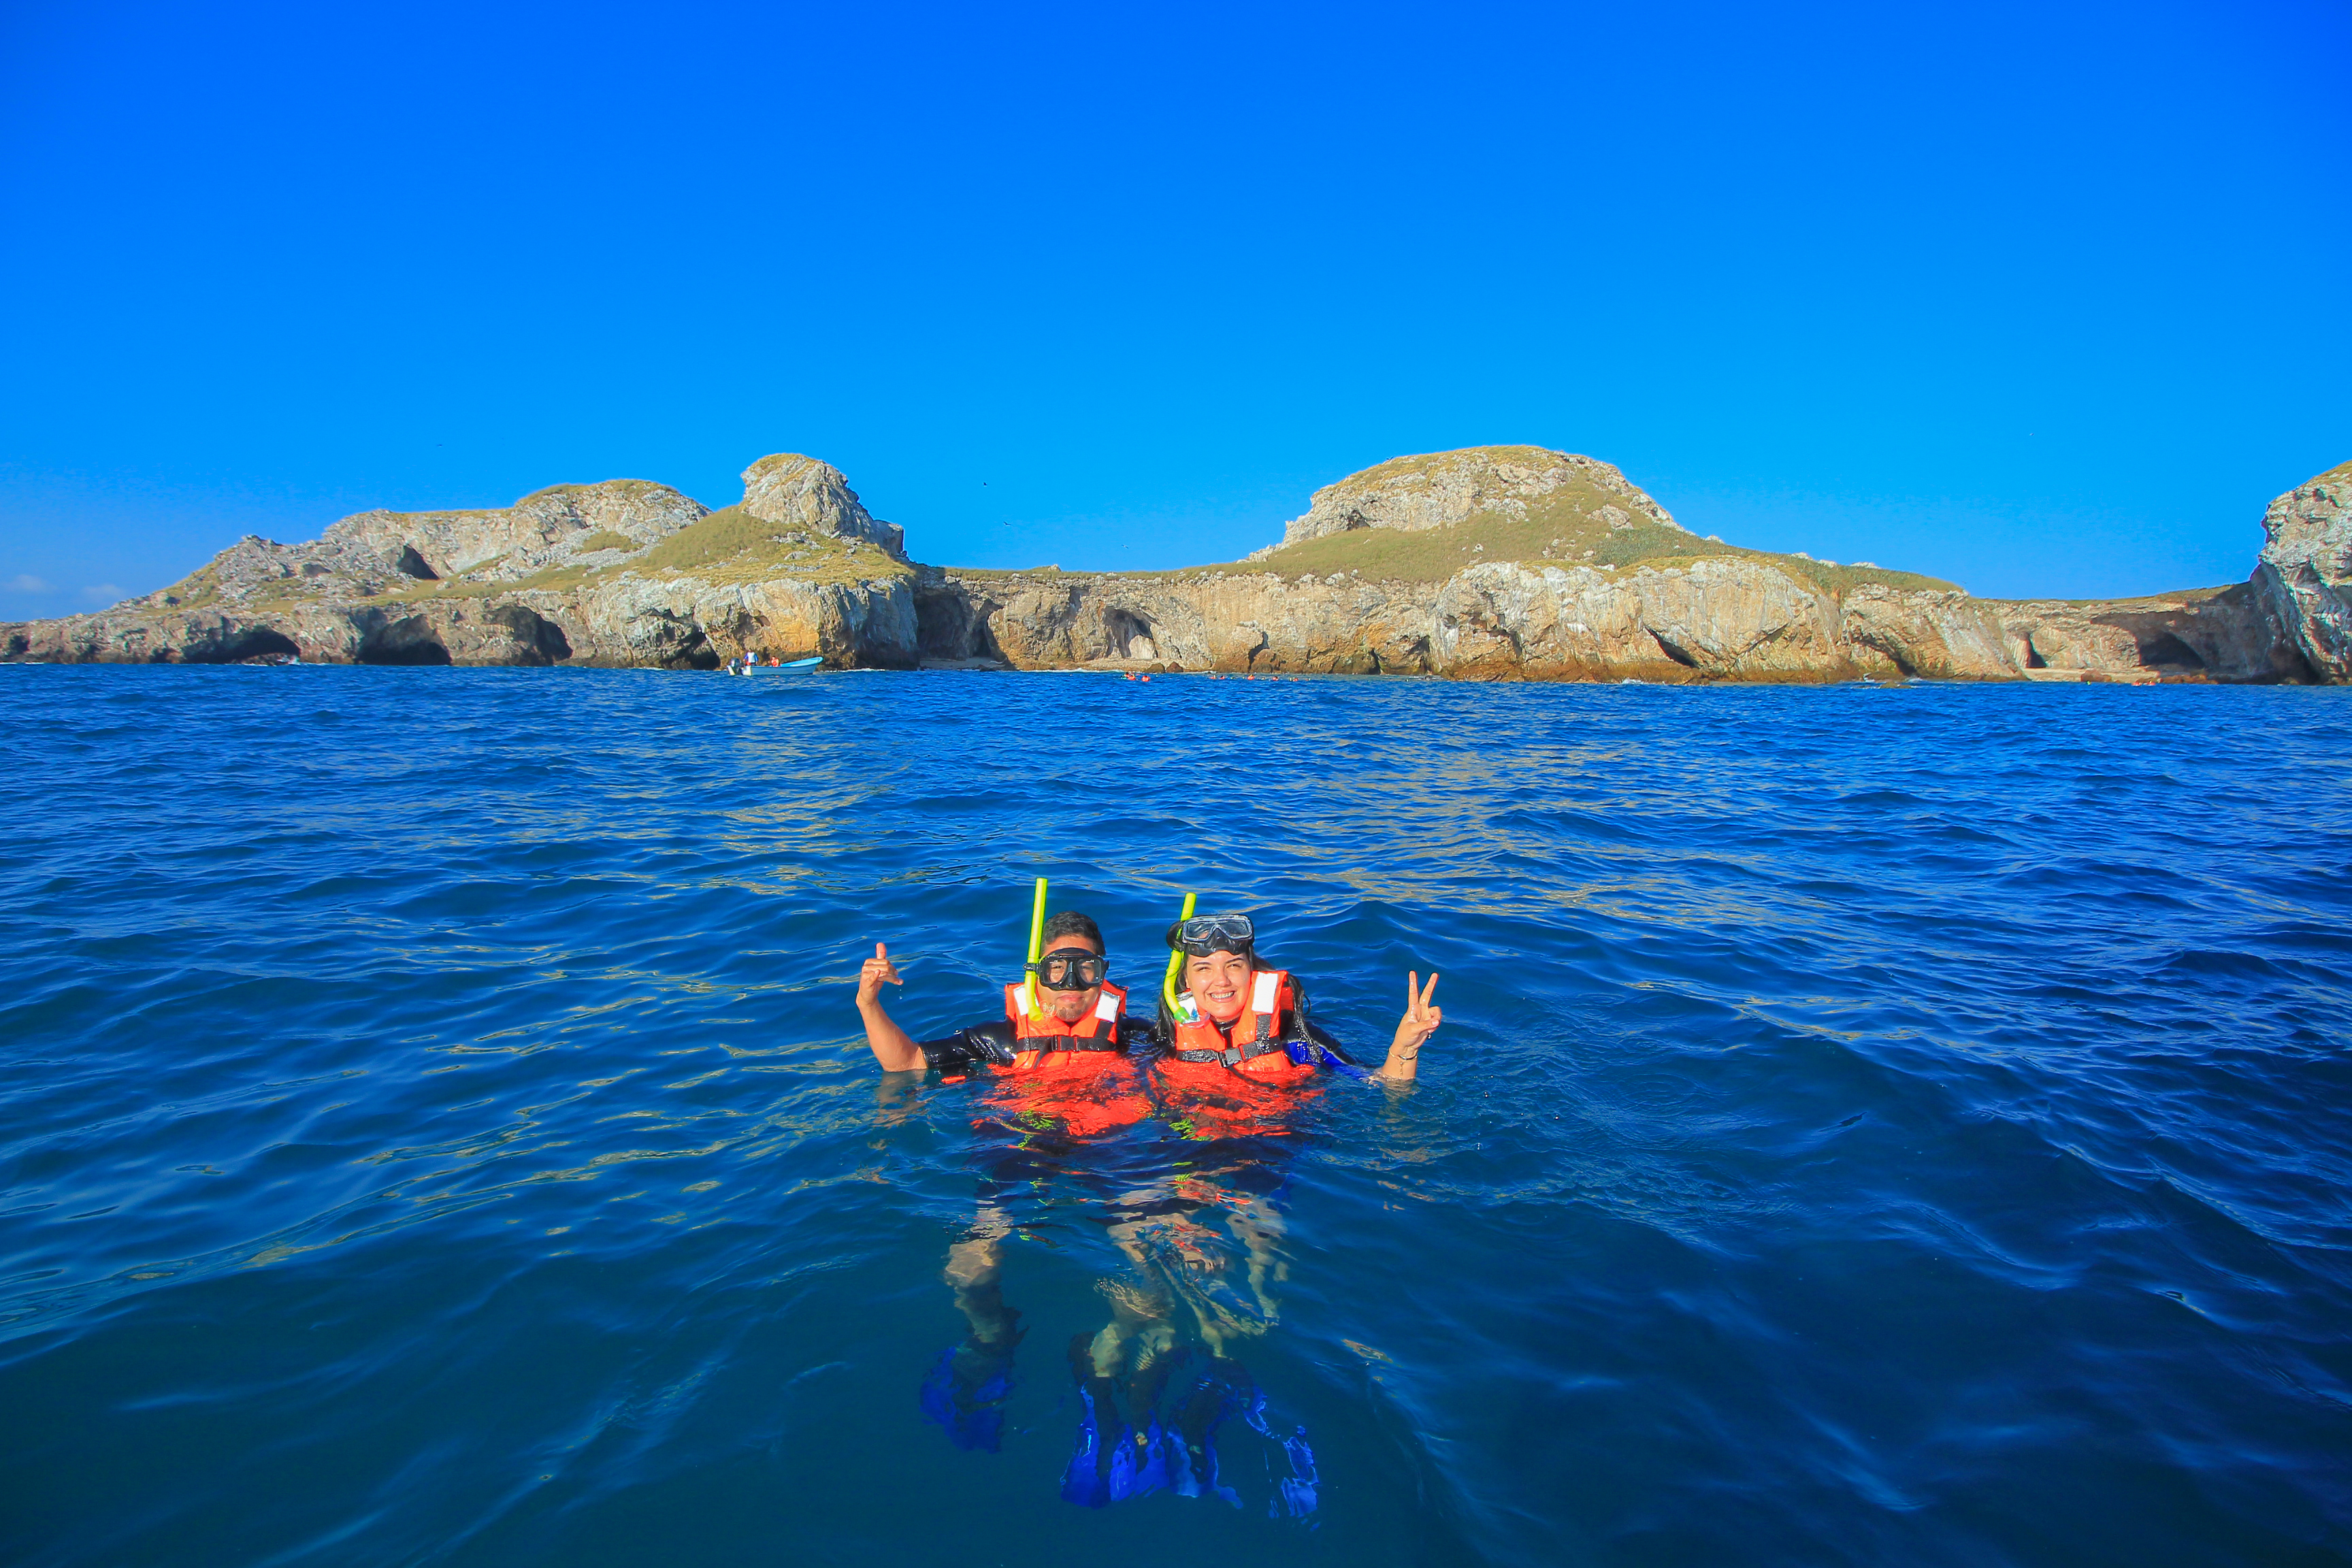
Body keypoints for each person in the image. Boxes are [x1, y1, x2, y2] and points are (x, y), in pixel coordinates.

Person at [1057, 911, 1443, 1511]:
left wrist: (1404, 1048)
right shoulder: (1160, 1042)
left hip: (1260, 1173)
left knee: (1258, 1285)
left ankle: (1207, 1384)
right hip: (1180, 1169)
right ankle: (1108, 1383)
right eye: (1204, 969)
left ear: (1255, 971)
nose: (1220, 980)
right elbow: (1082, 1056)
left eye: (1233, 966)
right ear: (1185, 983)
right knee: (1151, 1283)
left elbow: (1379, 1086)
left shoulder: (1295, 1040)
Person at [855, 911, 1154, 1454]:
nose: (1070, 983)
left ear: (1104, 974)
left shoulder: (1136, 1040)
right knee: (970, 1266)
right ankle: (991, 1335)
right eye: (1057, 968)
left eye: (1085, 968)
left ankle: (1108, 1349)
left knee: (1156, 1262)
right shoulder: (999, 1040)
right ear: (1036, 974)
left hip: (1111, 1154)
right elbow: (907, 1065)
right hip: (1017, 1152)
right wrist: (869, 1003)